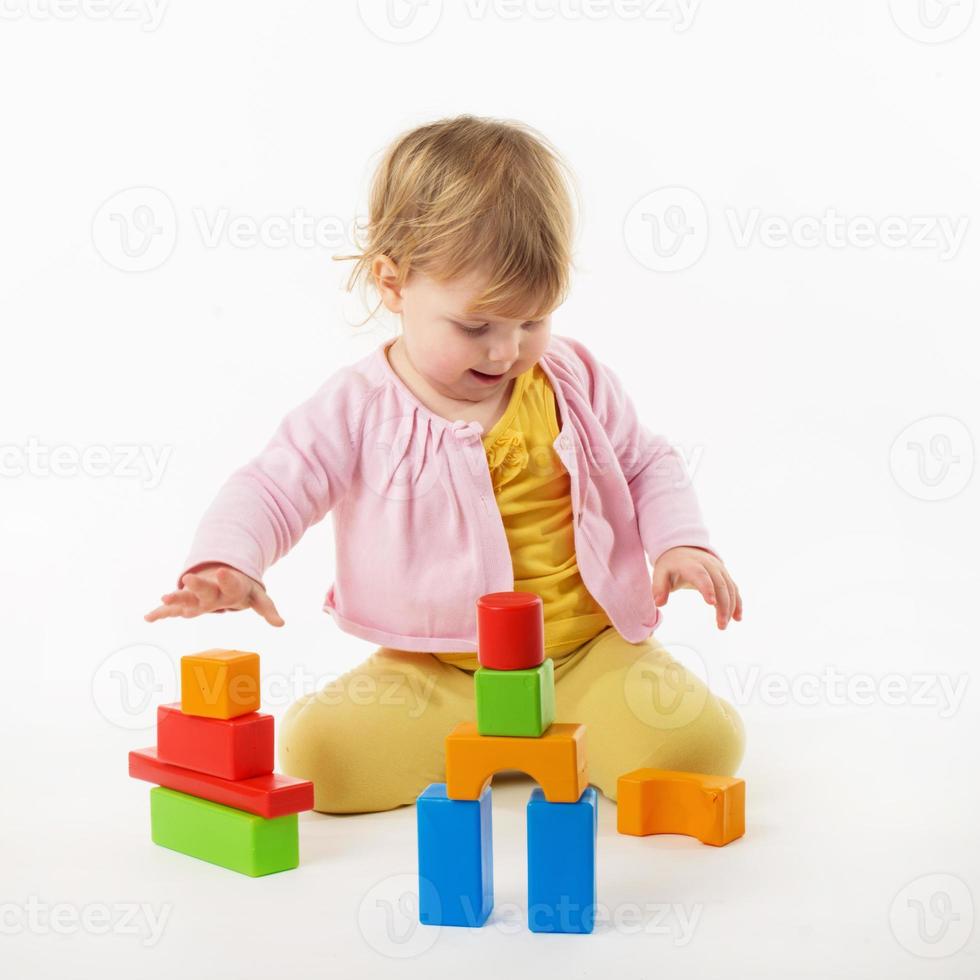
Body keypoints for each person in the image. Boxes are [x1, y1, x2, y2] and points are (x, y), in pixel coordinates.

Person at [145, 114, 745, 813]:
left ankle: (556, 734)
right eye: (475, 326)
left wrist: (680, 543)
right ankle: (507, 747)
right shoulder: (359, 407)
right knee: (322, 763)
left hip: (585, 655)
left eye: (532, 321)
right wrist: (227, 562)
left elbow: (646, 460)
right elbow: (274, 485)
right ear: (394, 286)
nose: (505, 352)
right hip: (436, 670)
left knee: (699, 750)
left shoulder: (571, 377)